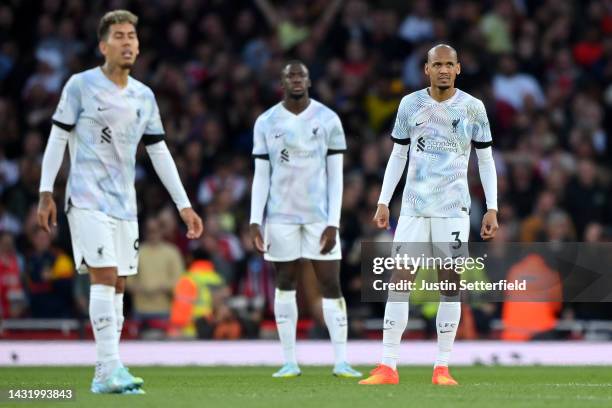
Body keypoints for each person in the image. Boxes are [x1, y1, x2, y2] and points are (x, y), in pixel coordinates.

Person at [36, 10, 203, 394]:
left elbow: (159, 152)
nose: (128, 42)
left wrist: (184, 205)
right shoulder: (80, 86)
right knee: (105, 275)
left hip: (125, 203)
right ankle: (110, 367)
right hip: (85, 198)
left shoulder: (145, 95)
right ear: (103, 45)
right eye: (119, 36)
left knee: (119, 285)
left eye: (132, 36)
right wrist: (46, 192)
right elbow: (57, 139)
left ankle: (106, 372)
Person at [359, 44, 499, 386]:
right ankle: (388, 366)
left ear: (459, 68)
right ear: (427, 69)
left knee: (449, 285)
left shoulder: (472, 108)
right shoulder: (410, 104)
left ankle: (442, 367)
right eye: (438, 64)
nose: (444, 70)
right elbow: (397, 155)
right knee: (399, 282)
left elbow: (485, 160)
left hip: (453, 211)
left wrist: (493, 207)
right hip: (413, 209)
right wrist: (382, 200)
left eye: (449, 64)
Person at [249, 61, 361, 378]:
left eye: (301, 75)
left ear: (309, 81)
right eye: (290, 76)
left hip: (319, 217)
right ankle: (289, 361)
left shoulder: (328, 119)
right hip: (280, 217)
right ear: (282, 83)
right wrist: (255, 219)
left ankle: (341, 360)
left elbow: (335, 176)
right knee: (285, 283)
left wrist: (334, 222)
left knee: (331, 284)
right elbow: (261, 175)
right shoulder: (267, 121)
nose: (296, 80)